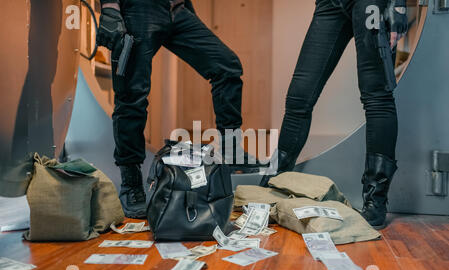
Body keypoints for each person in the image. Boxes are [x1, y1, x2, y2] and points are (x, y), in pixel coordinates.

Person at [97, 0, 261, 218]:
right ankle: (131, 184)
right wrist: (109, 5)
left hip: (176, 9)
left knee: (227, 65)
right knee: (132, 94)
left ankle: (231, 151)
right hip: (140, 8)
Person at [260, 0, 408, 230]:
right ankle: (273, 183)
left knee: (376, 96)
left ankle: (375, 200)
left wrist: (399, 7)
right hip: (329, 4)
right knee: (299, 96)